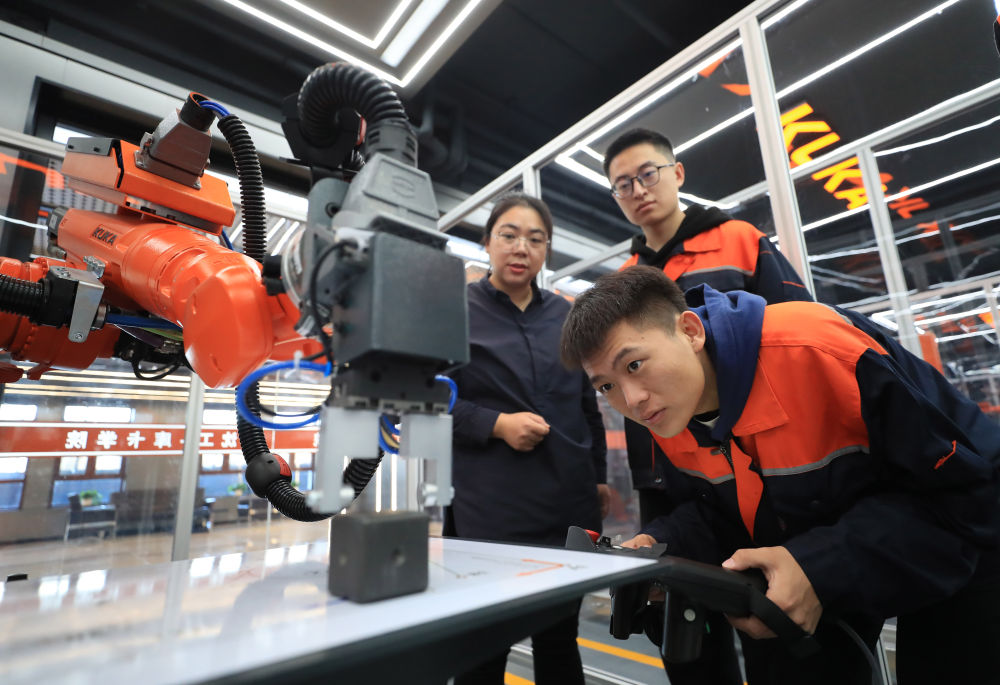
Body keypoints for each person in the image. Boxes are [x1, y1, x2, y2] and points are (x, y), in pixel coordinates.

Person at [559, 265, 1000, 685]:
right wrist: (661, 548)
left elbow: (962, 496)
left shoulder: (819, 349)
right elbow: (720, 512)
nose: (631, 400)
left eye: (634, 364)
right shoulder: (668, 414)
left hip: (974, 528)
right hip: (838, 544)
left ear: (690, 331)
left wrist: (817, 567)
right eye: (606, 386)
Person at [604, 127, 813, 683]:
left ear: (677, 173)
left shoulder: (740, 241)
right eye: (623, 184)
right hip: (667, 475)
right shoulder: (624, 282)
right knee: (681, 628)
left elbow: (793, 331)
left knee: (770, 614)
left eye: (647, 174)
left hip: (755, 463)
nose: (638, 190)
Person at [444, 192, 610, 685]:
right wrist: (496, 424)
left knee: (559, 640)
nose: (522, 248)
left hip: (567, 504)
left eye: (536, 239)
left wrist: (599, 477)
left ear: (547, 250)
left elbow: (587, 404)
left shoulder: (566, 315)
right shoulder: (455, 311)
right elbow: (426, 399)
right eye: (509, 235)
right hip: (490, 508)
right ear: (487, 242)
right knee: (483, 645)